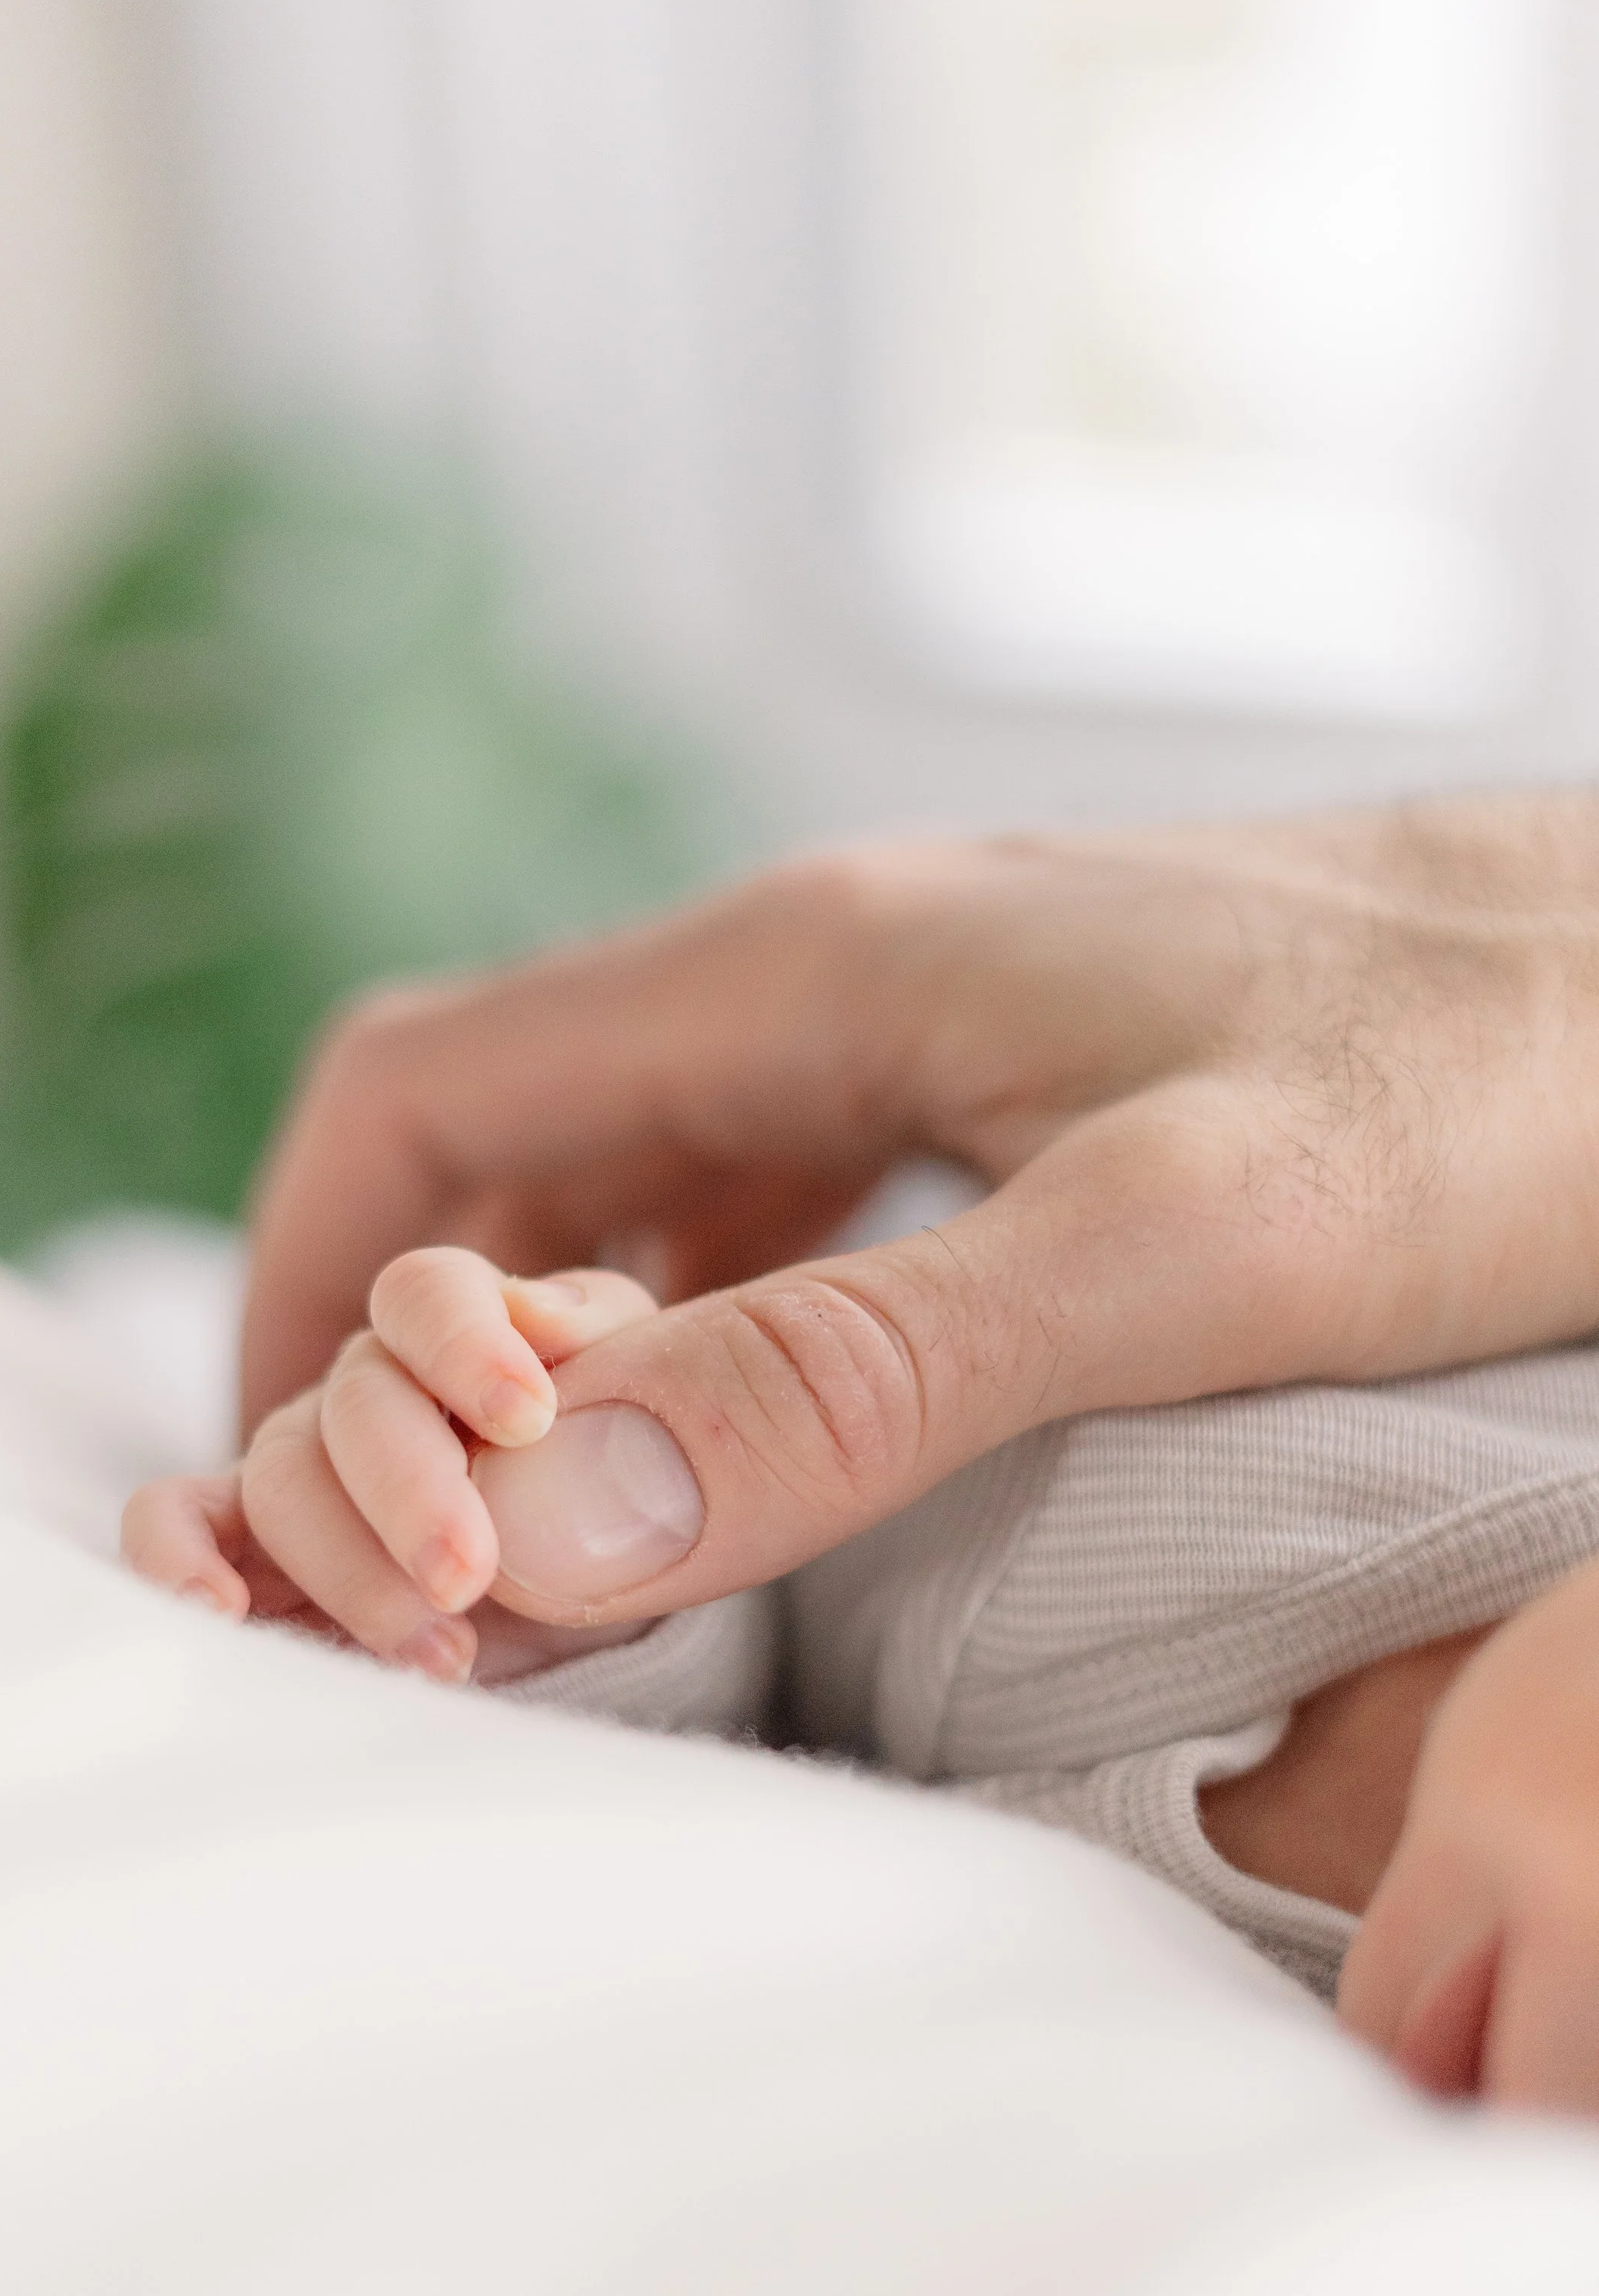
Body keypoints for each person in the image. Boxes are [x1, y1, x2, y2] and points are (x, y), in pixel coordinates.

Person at [132, 791, 1599, 2110]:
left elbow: (787, 1749)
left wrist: (524, 1607)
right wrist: (535, 1472)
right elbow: (779, 1576)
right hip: (982, 1200)